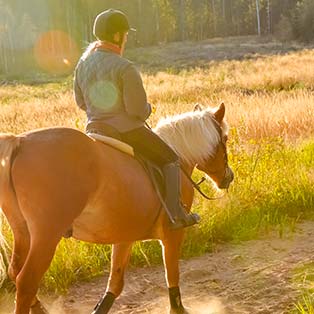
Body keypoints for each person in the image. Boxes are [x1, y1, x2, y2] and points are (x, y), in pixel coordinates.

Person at [73, 9, 199, 229]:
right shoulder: (125, 67)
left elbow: (81, 103)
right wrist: (148, 109)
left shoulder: (82, 65)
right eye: (125, 34)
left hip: (94, 130)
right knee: (170, 159)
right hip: (126, 131)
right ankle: (176, 215)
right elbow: (136, 111)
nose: (126, 39)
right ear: (117, 36)